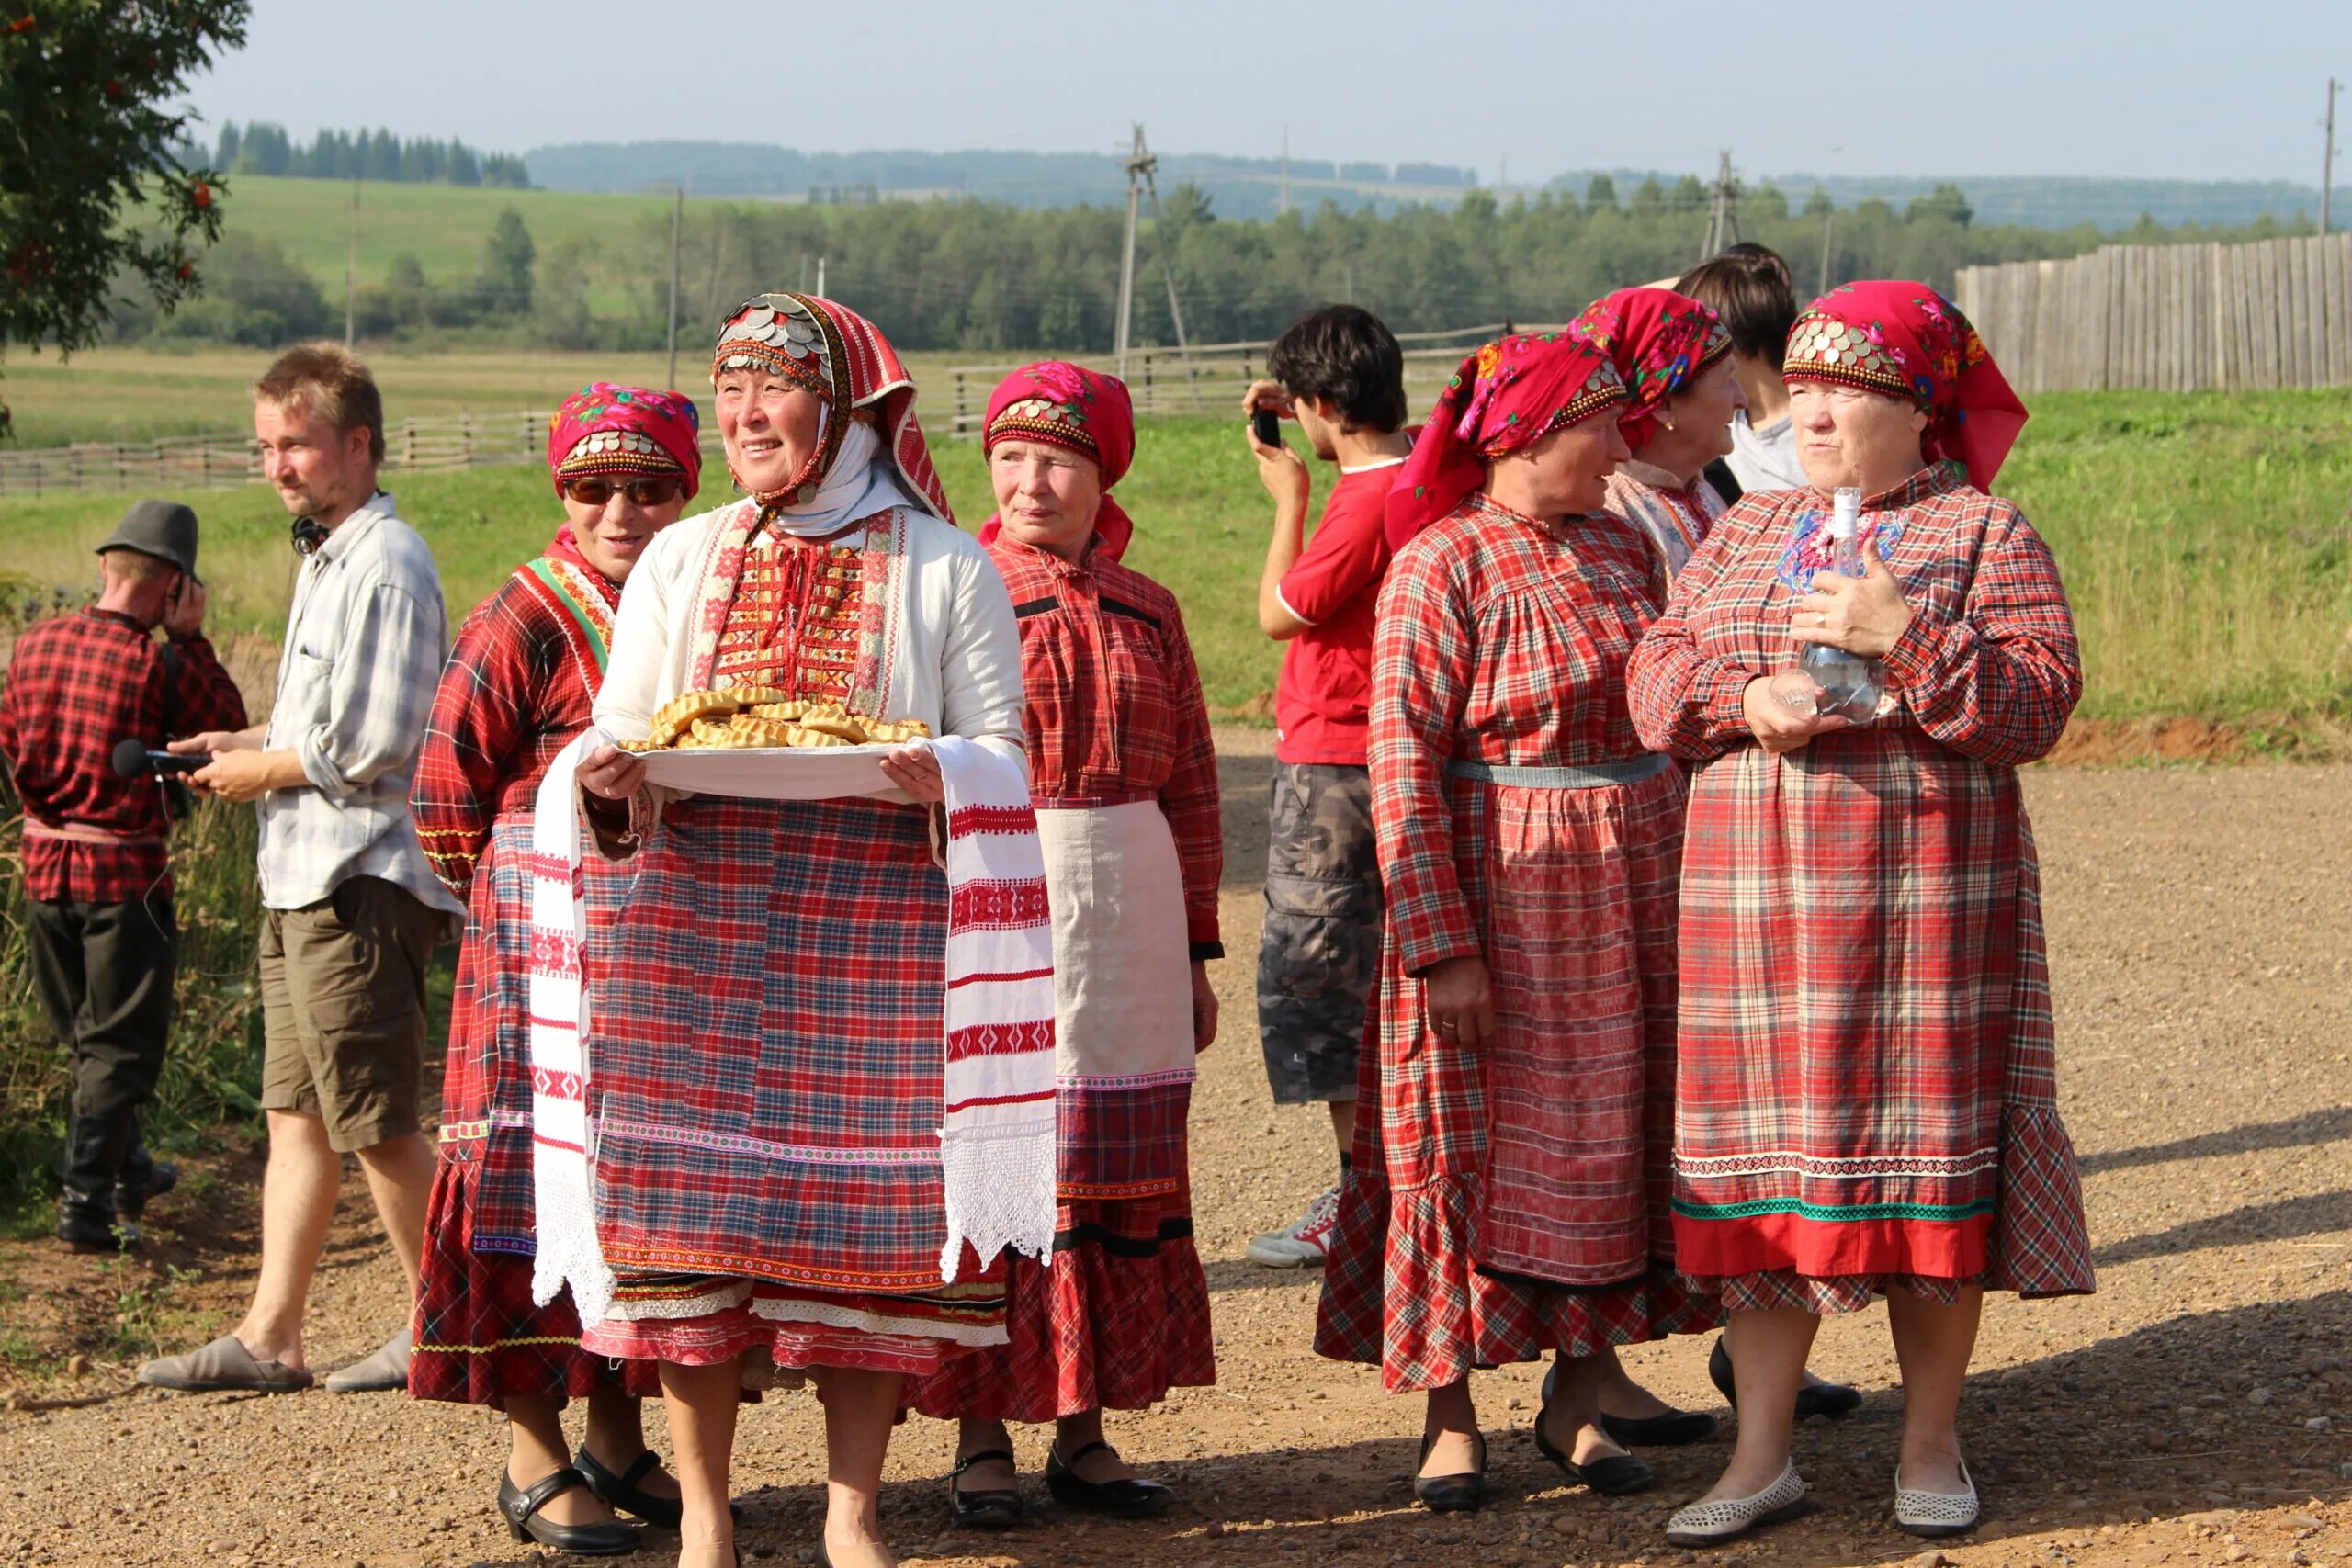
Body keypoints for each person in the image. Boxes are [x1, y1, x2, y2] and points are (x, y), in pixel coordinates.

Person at [569, 293, 1041, 1568]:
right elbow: (623, 726)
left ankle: (852, 1509)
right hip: (697, 915)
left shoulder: (947, 565)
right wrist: (608, 777)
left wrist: (946, 773)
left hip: (878, 916)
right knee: (693, 1220)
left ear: (838, 408)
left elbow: (1006, 754)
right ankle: (710, 1515)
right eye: (727, 391)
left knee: (868, 1232)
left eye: (769, 388)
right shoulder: (683, 555)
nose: (742, 417)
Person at [1626, 281, 2089, 1546]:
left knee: (1925, 1162)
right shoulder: (1742, 529)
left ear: (1919, 411)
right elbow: (1654, 674)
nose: (1813, 406)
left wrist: (1911, 631)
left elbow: (2040, 704)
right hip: (1752, 910)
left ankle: (1929, 1437)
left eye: (1849, 387)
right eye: (1809, 383)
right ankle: (1759, 1453)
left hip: (1920, 909)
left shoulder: (1985, 534)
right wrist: (1740, 695)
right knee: (1756, 1181)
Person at [1313, 331, 1704, 1514]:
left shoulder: (1625, 544)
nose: (1623, 446)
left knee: (1607, 1139)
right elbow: (1398, 763)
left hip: (1628, 894)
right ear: (1531, 433)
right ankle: (1450, 1411)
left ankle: (1580, 1399)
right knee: (1465, 1141)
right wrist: (1441, 946)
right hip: (1500, 896)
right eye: (1601, 426)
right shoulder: (1442, 564)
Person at [914, 361, 1220, 1525]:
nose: (1030, 482)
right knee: (1001, 1153)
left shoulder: (1150, 607)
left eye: (1057, 461)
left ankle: (1083, 1425)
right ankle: (981, 1436)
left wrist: (1193, 944)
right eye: (1009, 459)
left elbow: (1192, 781)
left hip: (1130, 899)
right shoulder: (961, 593)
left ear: (1102, 477)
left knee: (1105, 1155)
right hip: (1001, 888)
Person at [405, 385, 706, 1554]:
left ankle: (619, 1438)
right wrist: (523, 886)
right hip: (536, 950)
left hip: (654, 950)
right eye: (593, 487)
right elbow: (443, 799)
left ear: (689, 493)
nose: (621, 509)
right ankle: (532, 1452)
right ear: (560, 494)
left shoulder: (692, 609)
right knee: (523, 1190)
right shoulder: (521, 618)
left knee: (625, 1193)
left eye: (650, 487)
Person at [139, 343, 464, 1397]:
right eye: (267, 444)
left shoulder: (385, 560)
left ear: (357, 444)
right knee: (298, 1114)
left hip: (355, 880)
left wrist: (261, 769)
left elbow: (371, 747)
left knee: (376, 1119)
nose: (278, 464)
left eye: (298, 443)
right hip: (305, 874)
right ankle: (272, 1335)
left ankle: (450, 1325)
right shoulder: (330, 554)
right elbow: (324, 724)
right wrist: (244, 738)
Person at [1575, 287, 1867, 1441]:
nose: (1738, 400)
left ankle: (1747, 1352)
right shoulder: (1616, 515)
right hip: (1652, 826)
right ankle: (1595, 1372)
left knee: (1747, 1100)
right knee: (1640, 1103)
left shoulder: (1718, 495)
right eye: (1711, 382)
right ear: (1653, 406)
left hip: (1736, 827)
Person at [0, 501, 247, 1251]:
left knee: (84, 1031)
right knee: (122, 1041)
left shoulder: (32, 644)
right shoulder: (160, 662)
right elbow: (225, 733)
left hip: (42, 864)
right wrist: (194, 638)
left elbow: (9, 747)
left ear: (107, 565)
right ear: (174, 585)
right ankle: (85, 1204)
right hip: (123, 872)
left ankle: (126, 1164)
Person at [1238, 306, 1412, 1269]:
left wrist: (1286, 499)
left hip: (1335, 764)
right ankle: (1380, 1188)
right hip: (1385, 755)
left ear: (1320, 405)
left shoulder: (1362, 502)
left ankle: (1363, 1199)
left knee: (1322, 984)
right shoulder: (1426, 476)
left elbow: (1276, 613)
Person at [1576, 286, 1743, 580]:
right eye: (1726, 381)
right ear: (1664, 405)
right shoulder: (1611, 520)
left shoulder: (1703, 492)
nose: (1741, 399)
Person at [1674, 244, 1804, 496]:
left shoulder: (1817, 427)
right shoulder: (1728, 418)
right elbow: (1630, 305)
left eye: (1699, 339)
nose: (1687, 353)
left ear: (1731, 341)